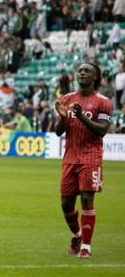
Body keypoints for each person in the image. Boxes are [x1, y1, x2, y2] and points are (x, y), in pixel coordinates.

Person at [55, 63, 112, 259]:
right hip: (70, 157)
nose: (82, 73)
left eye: (87, 71)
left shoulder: (103, 102)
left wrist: (80, 116)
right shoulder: (67, 99)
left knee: (87, 199)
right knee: (65, 204)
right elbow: (58, 132)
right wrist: (63, 118)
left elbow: (102, 130)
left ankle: (86, 247)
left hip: (91, 157)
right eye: (79, 70)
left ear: (95, 77)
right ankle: (77, 235)